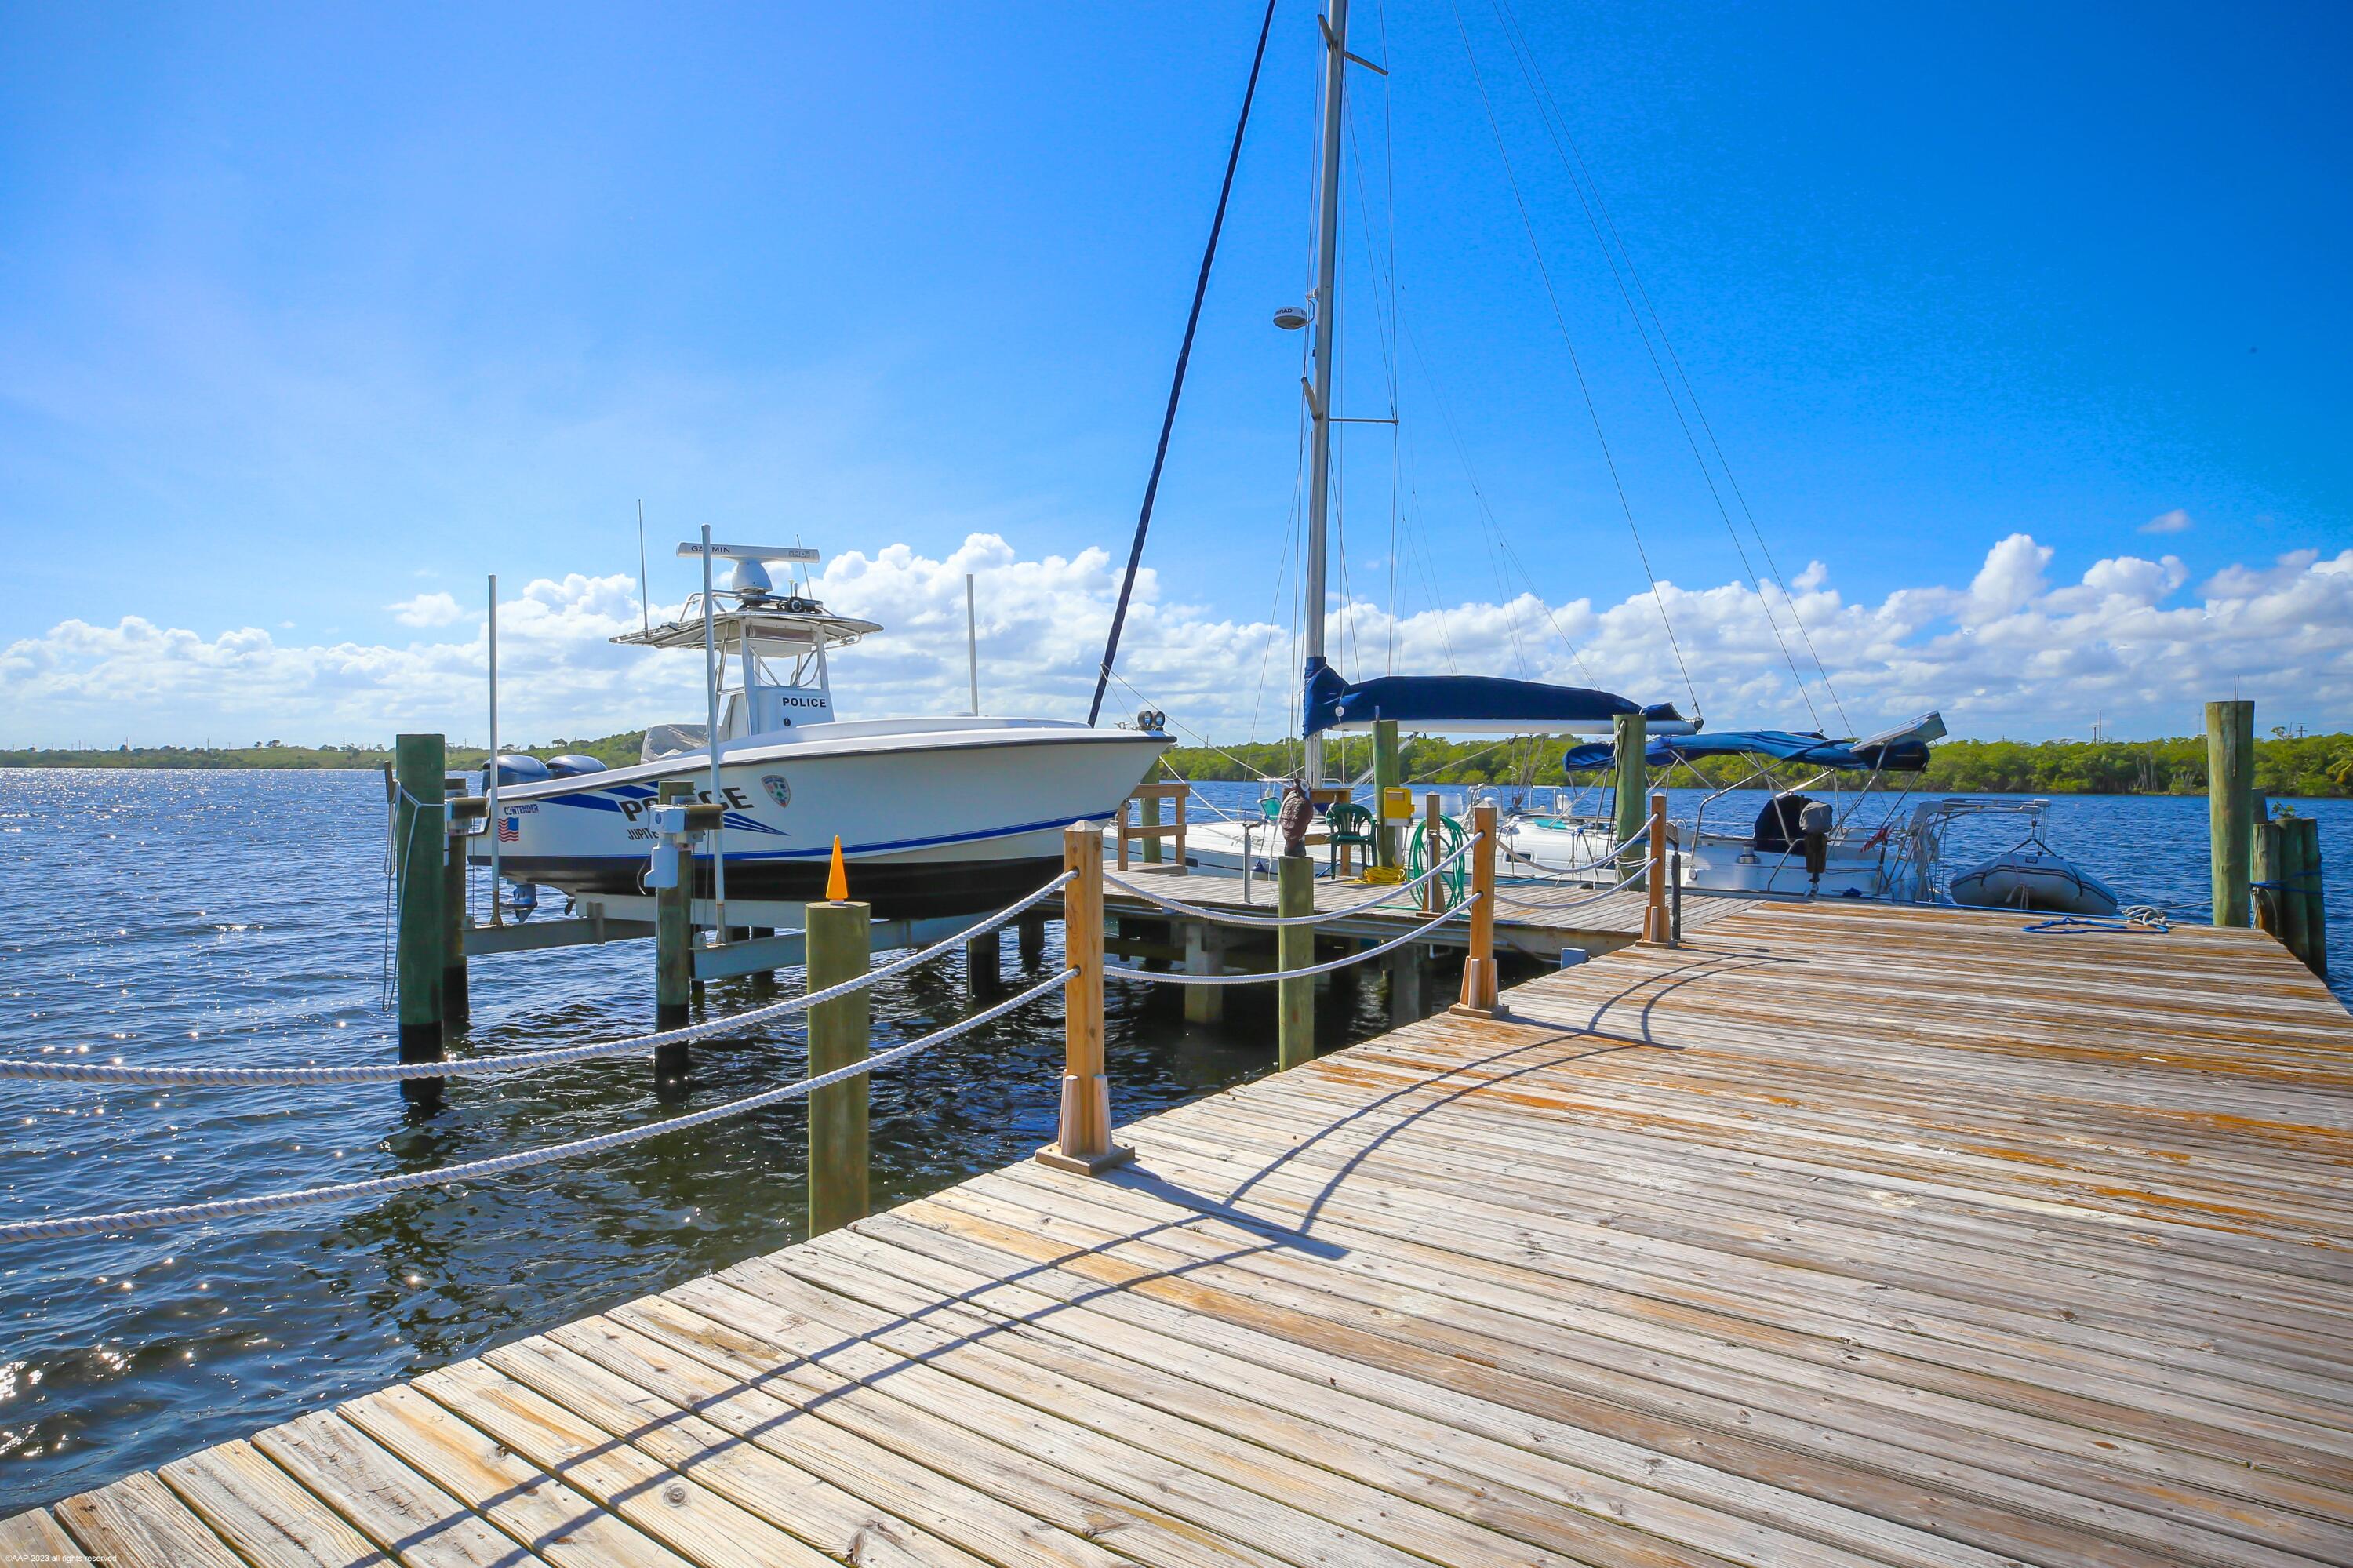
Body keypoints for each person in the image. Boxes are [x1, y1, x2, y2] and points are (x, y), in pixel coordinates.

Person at [1276, 776, 1314, 859]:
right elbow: (1307, 819)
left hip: (1289, 843)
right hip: (1297, 843)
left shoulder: (1288, 801)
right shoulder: (1305, 803)